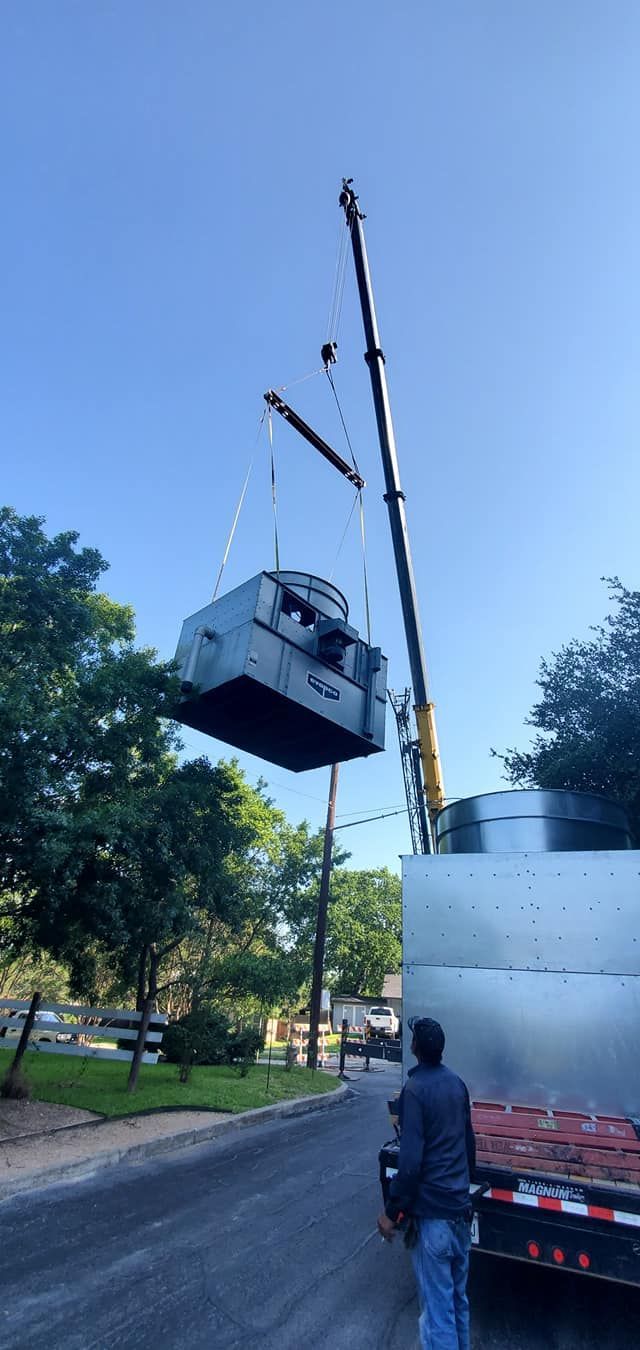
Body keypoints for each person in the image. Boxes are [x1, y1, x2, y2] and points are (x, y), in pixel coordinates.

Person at [377, 1016, 476, 1350]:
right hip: (460, 1214)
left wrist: (391, 1212)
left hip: (433, 1220)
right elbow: (468, 1144)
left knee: (437, 1314)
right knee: (458, 1302)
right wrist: (464, 1187)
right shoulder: (457, 1084)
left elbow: (410, 1165)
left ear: (415, 1048)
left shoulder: (415, 1091)